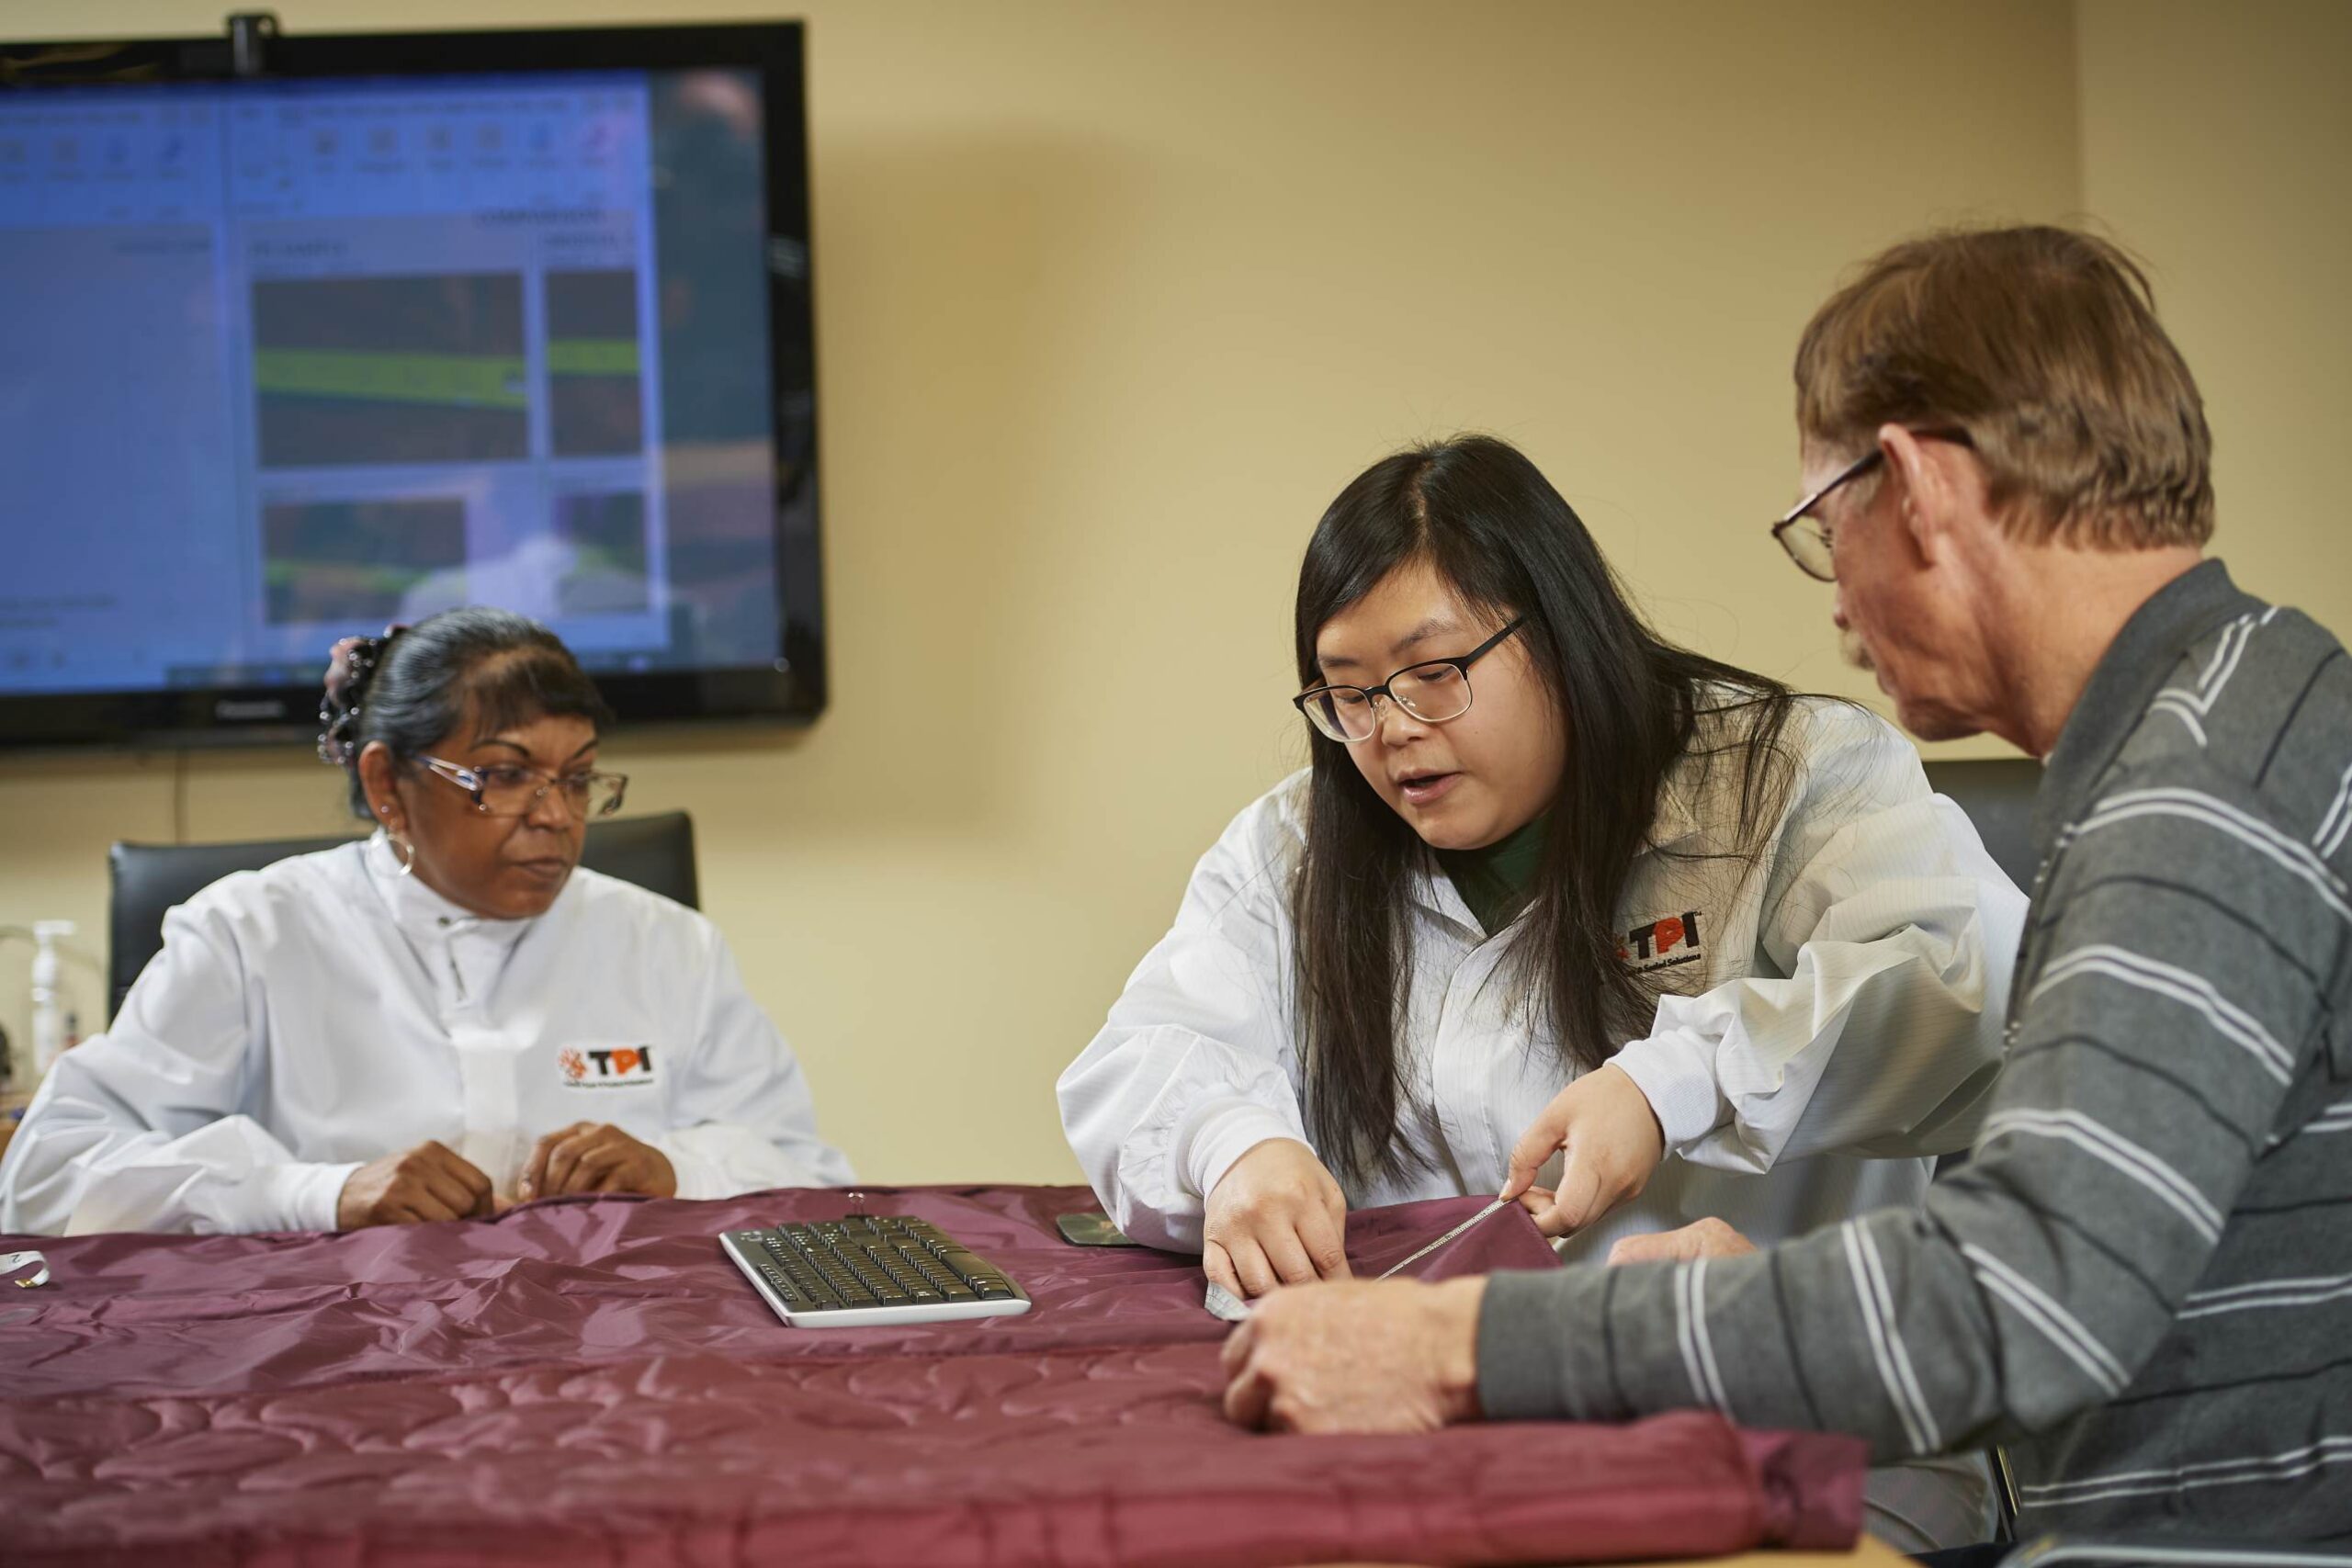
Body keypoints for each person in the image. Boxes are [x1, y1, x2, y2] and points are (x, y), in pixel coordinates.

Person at [1217, 227, 2352, 1546]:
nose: (1837, 608)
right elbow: (2074, 1271)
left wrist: (1467, 1343)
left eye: (1824, 530)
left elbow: (2021, 1301)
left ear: (1917, 488)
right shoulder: (2247, 715)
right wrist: (1762, 1304)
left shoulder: (2197, 785)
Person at [1059, 434, 2028, 1549]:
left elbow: (1960, 985)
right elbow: (1145, 1053)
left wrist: (1675, 1081)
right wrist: (1234, 1148)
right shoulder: (1294, 846)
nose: (1393, 730)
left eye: (1434, 673)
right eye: (1350, 695)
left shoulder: (1791, 775)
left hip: (1776, 1449)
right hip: (1441, 1447)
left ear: (1559, 636)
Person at [0, 607, 852, 1236]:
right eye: (506, 776)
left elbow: (810, 1172)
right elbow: (46, 1177)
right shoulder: (251, 933)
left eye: (578, 778)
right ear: (387, 786)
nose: (556, 815)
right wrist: (321, 1194)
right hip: (331, 1350)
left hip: (611, 1344)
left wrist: (675, 1169)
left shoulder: (664, 942)